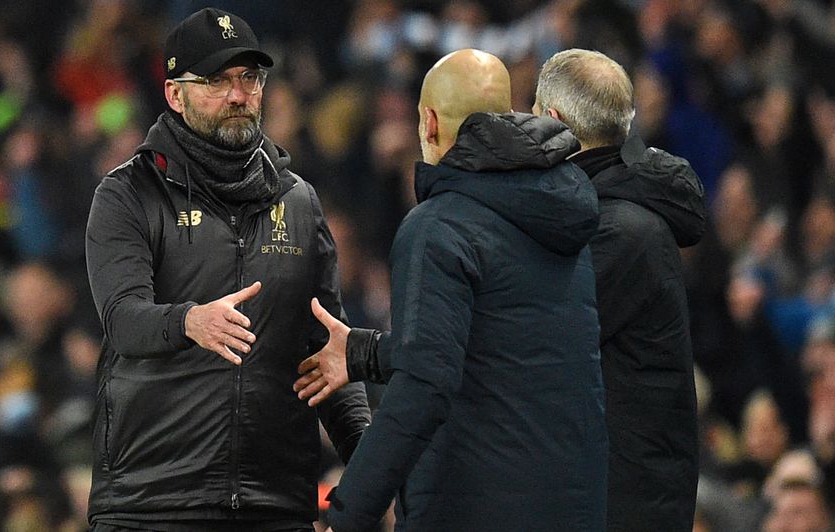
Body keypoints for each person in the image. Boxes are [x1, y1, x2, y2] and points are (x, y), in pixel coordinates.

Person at [84, 7, 371, 531]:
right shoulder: (128, 194)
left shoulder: (300, 203)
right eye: (217, 80)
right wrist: (190, 322)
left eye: (250, 79)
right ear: (175, 95)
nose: (239, 96)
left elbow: (327, 348)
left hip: (275, 503)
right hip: (153, 504)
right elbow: (123, 319)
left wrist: (374, 473)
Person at [302, 48, 609, 531]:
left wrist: (346, 515)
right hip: (575, 507)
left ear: (428, 122)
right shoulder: (563, 214)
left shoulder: (438, 226)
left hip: (474, 510)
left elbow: (424, 387)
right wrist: (364, 352)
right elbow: (497, 349)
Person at [532, 49, 706, 531]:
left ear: (553, 120)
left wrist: (371, 353)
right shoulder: (608, 216)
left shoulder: (623, 233)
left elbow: (526, 341)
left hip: (625, 505)